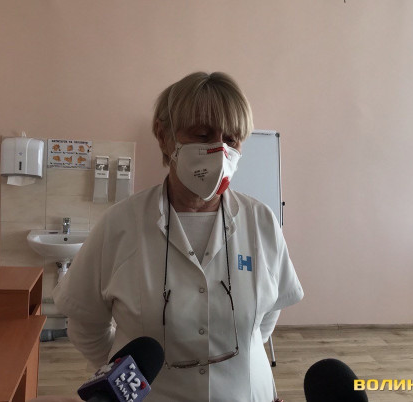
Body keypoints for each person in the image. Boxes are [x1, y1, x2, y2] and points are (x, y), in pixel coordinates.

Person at [53, 71, 303, 402]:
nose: (219, 150)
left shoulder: (260, 221)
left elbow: (267, 316)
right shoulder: (120, 225)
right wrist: (129, 375)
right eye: (202, 135)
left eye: (232, 140)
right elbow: (86, 324)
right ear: (164, 136)